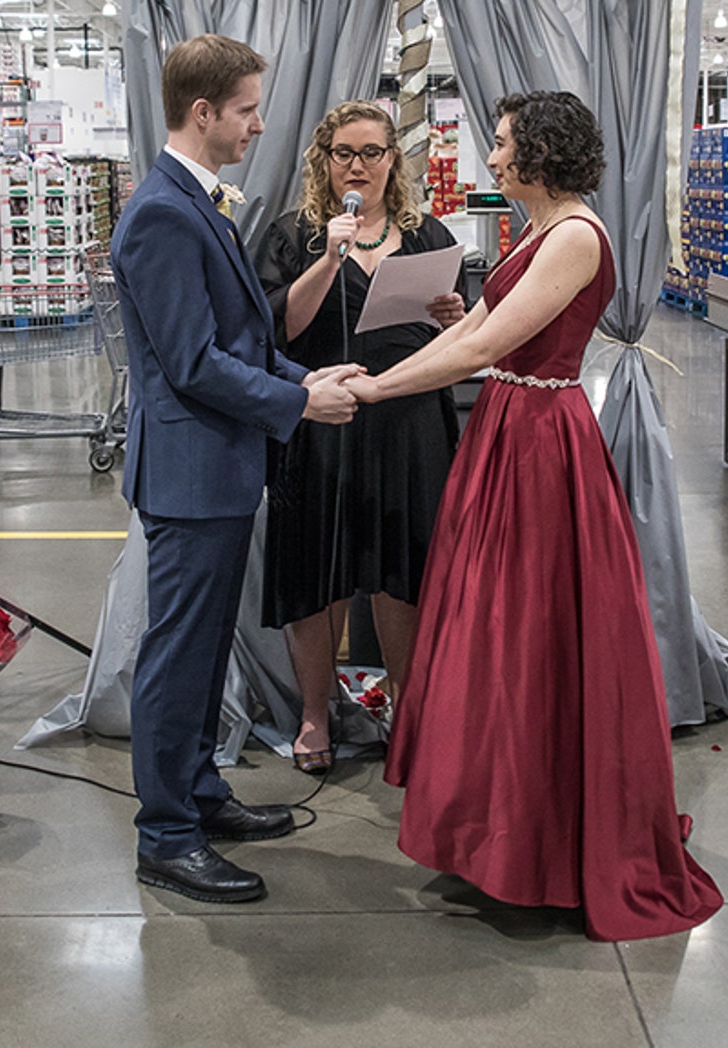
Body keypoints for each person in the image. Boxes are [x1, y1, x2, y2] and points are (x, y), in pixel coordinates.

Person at [352, 91, 725, 942]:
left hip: (541, 443)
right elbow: (476, 327)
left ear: (541, 153)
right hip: (510, 435)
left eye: (502, 143)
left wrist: (373, 389)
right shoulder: (539, 233)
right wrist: (384, 380)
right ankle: (502, 830)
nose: (491, 157)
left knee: (529, 633)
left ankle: (541, 839)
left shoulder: (576, 238)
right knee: (499, 632)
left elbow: (482, 349)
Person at [110, 34, 360, 905]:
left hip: (216, 466)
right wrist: (296, 406)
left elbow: (239, 341)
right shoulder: (161, 213)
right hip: (189, 473)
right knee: (178, 656)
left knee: (208, 647)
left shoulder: (198, 203)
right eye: (248, 109)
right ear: (203, 111)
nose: (259, 124)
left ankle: (201, 797)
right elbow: (190, 362)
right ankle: (166, 836)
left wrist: (303, 376)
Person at [255, 101, 467, 775]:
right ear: (324, 161)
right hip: (324, 420)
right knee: (317, 572)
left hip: (408, 421)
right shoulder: (296, 236)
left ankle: (408, 706)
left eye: (372, 152)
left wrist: (454, 317)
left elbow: (453, 338)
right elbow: (278, 330)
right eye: (344, 153)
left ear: (391, 161)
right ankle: (316, 714)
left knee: (402, 570)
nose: (359, 165)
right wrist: (331, 257)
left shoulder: (427, 235)